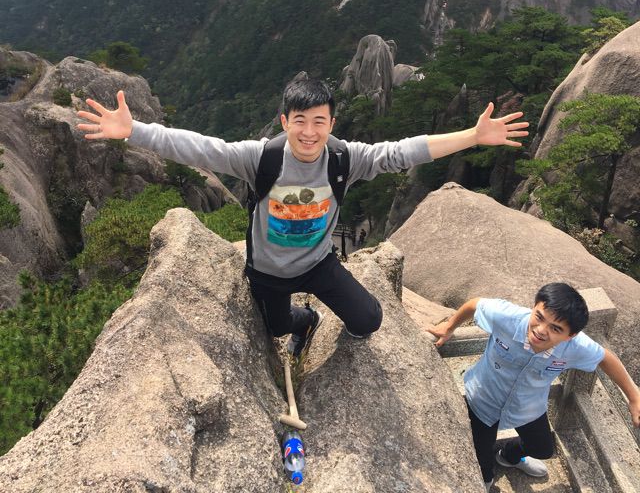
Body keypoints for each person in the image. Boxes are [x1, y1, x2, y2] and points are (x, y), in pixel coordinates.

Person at [77, 79, 528, 358]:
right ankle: (305, 320)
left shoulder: (344, 159)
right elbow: (200, 148)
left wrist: (472, 136)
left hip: (318, 264)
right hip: (268, 271)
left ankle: (319, 315)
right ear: (284, 121)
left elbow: (402, 152)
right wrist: (134, 131)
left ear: (331, 123)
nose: (309, 132)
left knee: (367, 322)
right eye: (300, 121)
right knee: (277, 328)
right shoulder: (261, 158)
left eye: (319, 121)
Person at [427, 283, 640, 492]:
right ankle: (486, 479)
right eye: (539, 317)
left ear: (571, 335)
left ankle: (508, 455)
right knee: (481, 457)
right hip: (483, 400)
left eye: (556, 328)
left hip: (527, 407)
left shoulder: (576, 347)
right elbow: (475, 304)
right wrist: (449, 326)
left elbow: (606, 358)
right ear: (534, 306)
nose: (541, 330)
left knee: (543, 448)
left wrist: (633, 397)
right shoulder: (507, 317)